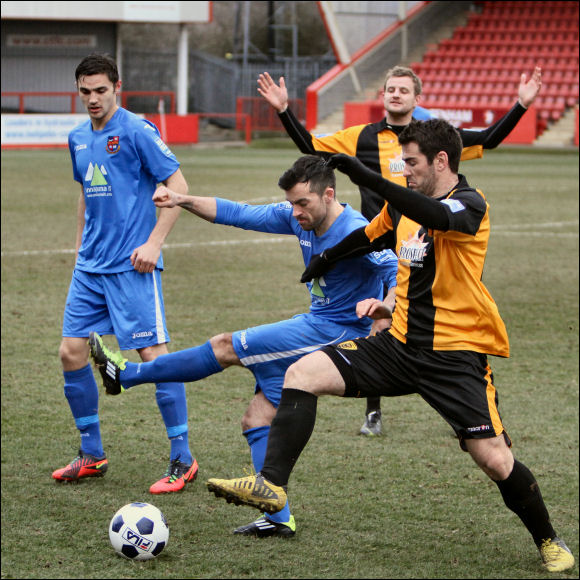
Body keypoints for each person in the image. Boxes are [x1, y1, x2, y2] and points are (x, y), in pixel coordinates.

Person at [206, 119, 575, 573]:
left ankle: (548, 539)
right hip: (398, 345)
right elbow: (367, 236)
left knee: (495, 460)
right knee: (301, 373)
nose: (404, 170)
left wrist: (365, 177)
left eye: (412, 162)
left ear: (441, 161)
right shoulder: (402, 207)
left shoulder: (470, 204)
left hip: (454, 358)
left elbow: (436, 216)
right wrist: (324, 258)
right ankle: (272, 485)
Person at [87, 155, 398, 537]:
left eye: (303, 203)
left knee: (225, 347)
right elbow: (237, 212)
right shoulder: (296, 216)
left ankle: (128, 375)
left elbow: (397, 272)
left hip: (335, 332)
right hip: (315, 324)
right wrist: (182, 200)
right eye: (291, 203)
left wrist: (384, 310)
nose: (295, 211)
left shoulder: (355, 228)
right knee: (256, 418)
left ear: (329, 194)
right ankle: (278, 518)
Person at [257, 64, 542, 437]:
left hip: (426, 240)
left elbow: (488, 138)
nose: (395, 94)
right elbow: (310, 146)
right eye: (390, 88)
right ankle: (374, 410)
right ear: (383, 95)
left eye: (403, 90)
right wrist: (283, 110)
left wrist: (521, 105)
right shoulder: (362, 137)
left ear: (416, 98)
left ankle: (470, 403)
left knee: (428, 316)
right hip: (374, 241)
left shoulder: (434, 140)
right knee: (378, 324)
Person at [52, 53, 197, 495]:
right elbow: (85, 194)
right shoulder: (78, 137)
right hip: (90, 267)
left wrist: (154, 244)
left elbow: (179, 187)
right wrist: (79, 245)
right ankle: (92, 454)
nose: (93, 99)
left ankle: (183, 459)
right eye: (85, 92)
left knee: (156, 360)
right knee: (70, 352)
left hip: (131, 266)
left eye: (100, 90)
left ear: (118, 86)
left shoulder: (136, 130)